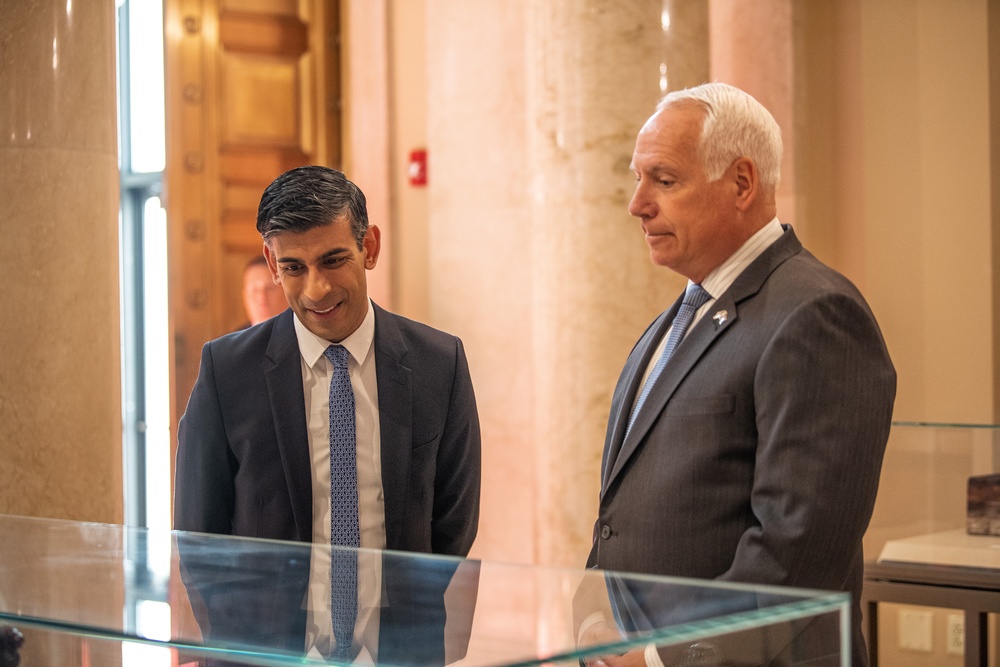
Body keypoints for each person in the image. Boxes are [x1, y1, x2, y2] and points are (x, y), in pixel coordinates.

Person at [585, 83, 895, 666]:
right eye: (637, 178)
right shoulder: (673, 321)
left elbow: (795, 553)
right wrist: (596, 621)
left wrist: (659, 658)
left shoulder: (817, 314)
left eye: (664, 180)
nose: (638, 203)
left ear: (742, 184)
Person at [174, 165, 482, 661]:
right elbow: (198, 534)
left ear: (371, 248)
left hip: (399, 653)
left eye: (333, 259)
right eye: (294, 267)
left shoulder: (438, 364)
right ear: (272, 264)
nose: (316, 289)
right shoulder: (226, 371)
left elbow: (454, 525)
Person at [240, 253, 288, 326]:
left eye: (270, 288)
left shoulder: (305, 336)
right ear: (245, 296)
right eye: (255, 290)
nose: (261, 296)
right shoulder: (235, 337)